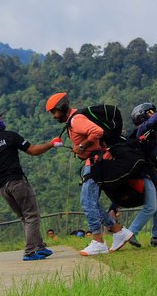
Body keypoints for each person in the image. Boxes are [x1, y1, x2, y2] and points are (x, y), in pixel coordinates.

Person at [46, 92, 133, 255]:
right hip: (93, 162)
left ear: (62, 108)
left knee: (87, 202)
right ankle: (118, 231)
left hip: (95, 163)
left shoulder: (76, 120)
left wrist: (81, 146)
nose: (53, 116)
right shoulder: (74, 120)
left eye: (54, 112)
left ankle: (98, 241)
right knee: (91, 201)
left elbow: (97, 132)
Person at [0, 111, 63, 261]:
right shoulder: (9, 136)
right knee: (31, 215)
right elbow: (32, 150)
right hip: (17, 182)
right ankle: (30, 252)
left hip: (1, 189)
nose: (2, 120)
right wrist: (51, 144)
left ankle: (40, 247)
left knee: (25, 217)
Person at [125, 102, 157, 248]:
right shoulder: (141, 130)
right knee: (151, 206)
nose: (152, 114)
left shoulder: (152, 133)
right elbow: (152, 122)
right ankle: (130, 233)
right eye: (150, 112)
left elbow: (149, 156)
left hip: (152, 172)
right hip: (143, 173)